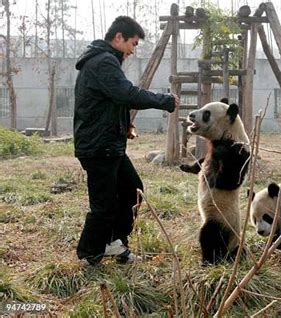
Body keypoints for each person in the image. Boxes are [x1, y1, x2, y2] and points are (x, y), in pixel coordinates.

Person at [74, 16, 179, 265]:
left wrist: (125, 125)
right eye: (132, 43)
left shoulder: (104, 60)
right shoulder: (103, 61)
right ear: (119, 37)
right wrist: (162, 100)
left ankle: (114, 243)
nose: (133, 50)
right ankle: (89, 253)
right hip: (99, 147)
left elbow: (113, 99)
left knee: (133, 191)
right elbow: (126, 93)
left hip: (109, 145)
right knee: (103, 204)